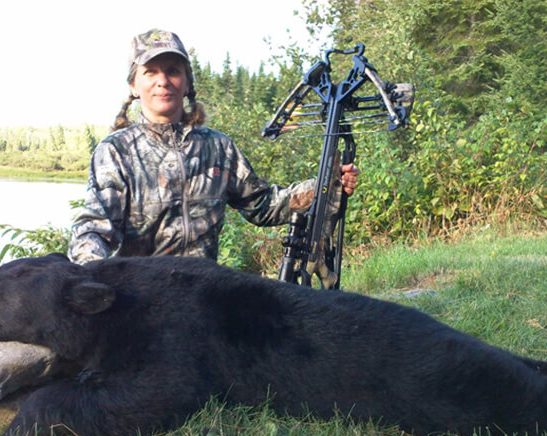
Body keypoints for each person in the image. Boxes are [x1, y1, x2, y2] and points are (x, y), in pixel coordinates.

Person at [69, 29, 359, 265]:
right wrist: (91, 276)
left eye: (172, 71)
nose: (162, 82)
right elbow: (94, 228)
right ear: (134, 85)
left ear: (186, 83)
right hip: (143, 301)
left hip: (205, 298)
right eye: (150, 72)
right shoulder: (116, 151)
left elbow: (265, 206)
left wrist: (326, 184)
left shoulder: (218, 147)